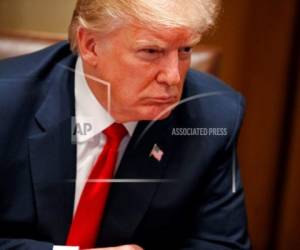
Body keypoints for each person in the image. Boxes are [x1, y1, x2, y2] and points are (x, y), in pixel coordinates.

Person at [0, 0, 251, 249]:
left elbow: (221, 245)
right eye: (151, 52)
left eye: (185, 50)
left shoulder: (213, 118)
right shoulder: (7, 104)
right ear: (91, 46)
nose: (173, 77)